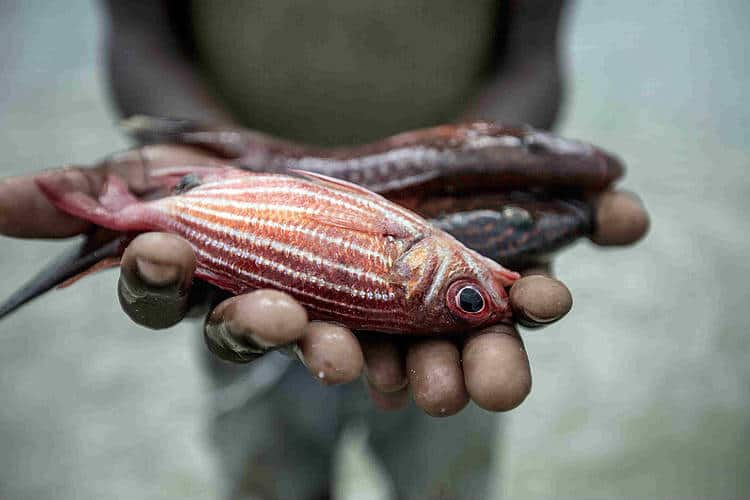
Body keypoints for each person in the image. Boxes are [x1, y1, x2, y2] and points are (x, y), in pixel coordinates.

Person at [0, 1, 648, 498]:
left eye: (472, 294)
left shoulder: (424, 265)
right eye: (469, 296)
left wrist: (500, 152)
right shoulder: (428, 258)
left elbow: (531, 55)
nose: (486, 287)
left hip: (274, 257)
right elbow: (142, 35)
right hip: (239, 293)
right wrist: (198, 154)